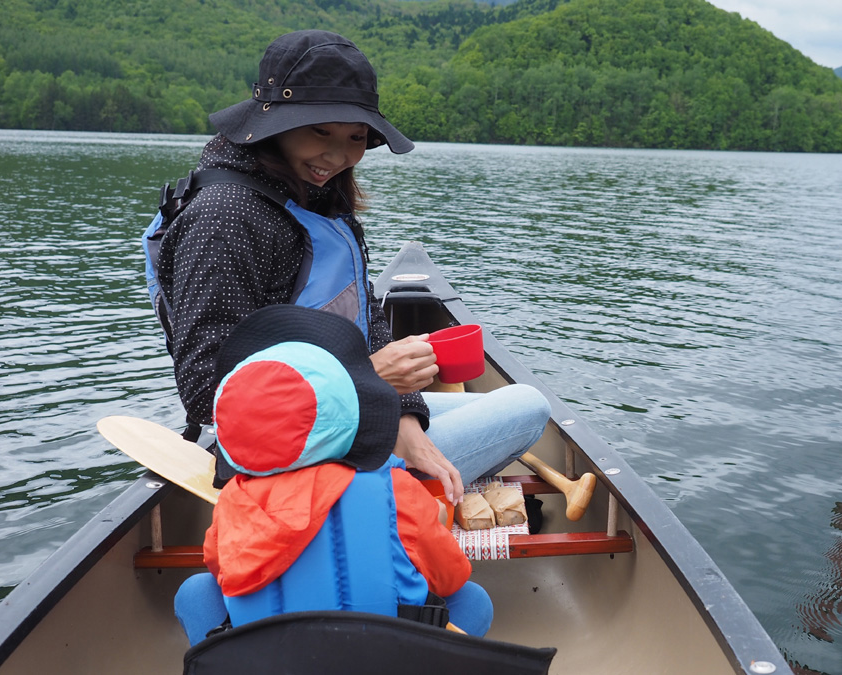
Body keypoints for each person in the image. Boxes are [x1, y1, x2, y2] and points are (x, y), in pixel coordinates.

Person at [145, 29, 550, 504]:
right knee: (527, 410)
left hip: (346, 417)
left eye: (356, 137)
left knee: (515, 403)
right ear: (272, 124)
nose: (338, 157)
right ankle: (394, 498)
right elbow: (208, 393)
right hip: (281, 459)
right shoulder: (226, 216)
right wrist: (371, 377)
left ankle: (404, 476)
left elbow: (366, 321)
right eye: (320, 131)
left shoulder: (311, 198)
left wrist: (402, 417)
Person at [175, 305, 492, 645]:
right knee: (472, 599)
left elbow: (219, 567)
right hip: (387, 660)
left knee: (196, 591)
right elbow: (449, 576)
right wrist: (435, 521)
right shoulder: (394, 487)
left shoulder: (233, 500)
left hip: (270, 662)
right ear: (348, 407)